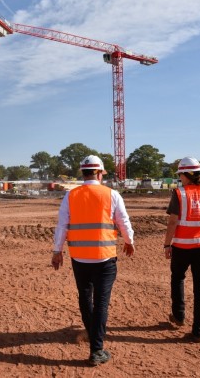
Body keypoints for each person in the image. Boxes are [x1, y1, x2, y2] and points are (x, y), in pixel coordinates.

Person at [52, 155, 135, 366]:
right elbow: (123, 221)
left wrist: (57, 251)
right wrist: (129, 241)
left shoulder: (71, 195)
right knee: (101, 302)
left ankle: (92, 332)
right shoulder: (112, 194)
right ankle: (97, 349)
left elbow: (62, 225)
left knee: (85, 297)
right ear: (99, 173)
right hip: (104, 257)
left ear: (83, 173)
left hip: (79, 258)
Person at [163, 157, 200, 343]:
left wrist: (167, 244)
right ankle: (198, 332)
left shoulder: (179, 193)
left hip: (182, 246)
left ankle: (179, 315)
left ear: (187, 175)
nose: (180, 179)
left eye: (181, 175)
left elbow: (172, 221)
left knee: (178, 278)